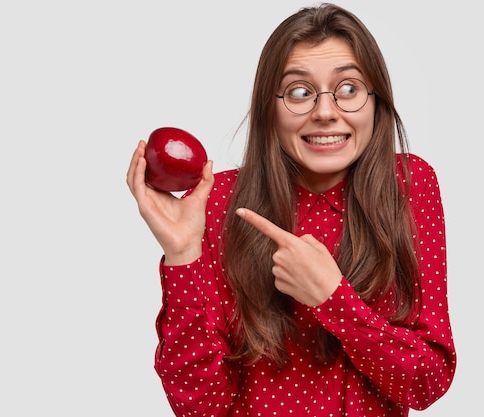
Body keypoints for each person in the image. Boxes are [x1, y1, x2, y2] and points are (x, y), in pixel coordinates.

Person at [126, 3, 456, 416]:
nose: (324, 111)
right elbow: (201, 407)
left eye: (348, 89)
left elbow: (426, 382)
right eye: (300, 92)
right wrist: (182, 255)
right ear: (270, 107)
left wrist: (332, 299)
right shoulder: (217, 202)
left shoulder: (408, 185)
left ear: (376, 101)